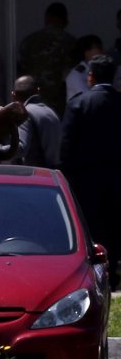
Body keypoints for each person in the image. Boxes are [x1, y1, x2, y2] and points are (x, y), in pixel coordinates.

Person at [60, 55, 121, 290]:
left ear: (90, 76)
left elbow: (67, 145)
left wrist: (66, 176)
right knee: (115, 225)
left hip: (86, 178)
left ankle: (96, 273)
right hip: (117, 176)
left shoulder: (78, 103)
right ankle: (114, 270)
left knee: (91, 227)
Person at [18, 2, 76, 115]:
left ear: (47, 17)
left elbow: (22, 70)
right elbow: (73, 73)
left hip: (32, 96)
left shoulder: (29, 41)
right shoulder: (70, 42)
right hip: (58, 98)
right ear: (64, 19)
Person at [6, 76, 60, 168]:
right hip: (53, 174)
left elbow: (21, 149)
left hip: (35, 175)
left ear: (14, 95)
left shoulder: (25, 114)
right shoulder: (51, 113)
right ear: (37, 91)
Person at [65, 35, 104, 100]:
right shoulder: (77, 74)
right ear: (87, 52)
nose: (102, 51)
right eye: (98, 48)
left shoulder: (98, 71)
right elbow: (88, 98)